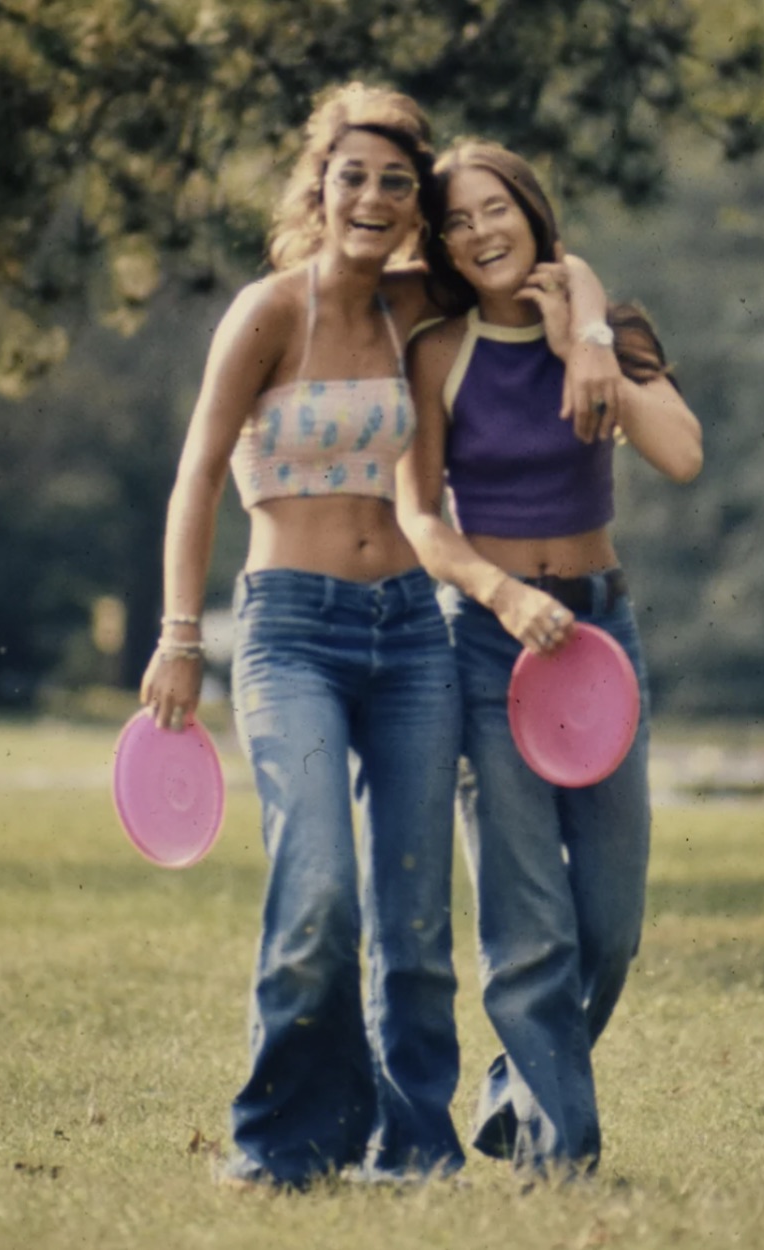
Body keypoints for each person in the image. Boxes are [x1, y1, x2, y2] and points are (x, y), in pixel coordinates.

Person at [139, 88, 625, 1188]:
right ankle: (280, 1143)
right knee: (318, 889)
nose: (372, 196)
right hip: (290, 632)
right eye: (352, 176)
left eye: (396, 182)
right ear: (319, 189)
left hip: (410, 634)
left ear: (415, 206)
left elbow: (552, 264)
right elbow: (197, 475)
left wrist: (592, 330)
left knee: (414, 918)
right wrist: (179, 633)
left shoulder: (417, 304)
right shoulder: (269, 311)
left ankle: (413, 1145)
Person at [397, 140, 703, 1177]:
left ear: (532, 212)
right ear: (443, 246)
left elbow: (682, 454)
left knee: (608, 925)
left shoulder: (611, 332)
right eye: (457, 221)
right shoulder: (440, 352)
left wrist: (590, 344)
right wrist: (502, 593)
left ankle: (518, 1082)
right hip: (491, 645)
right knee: (529, 926)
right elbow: (421, 519)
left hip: (601, 639)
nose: (480, 232)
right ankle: (559, 1160)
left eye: (496, 209)